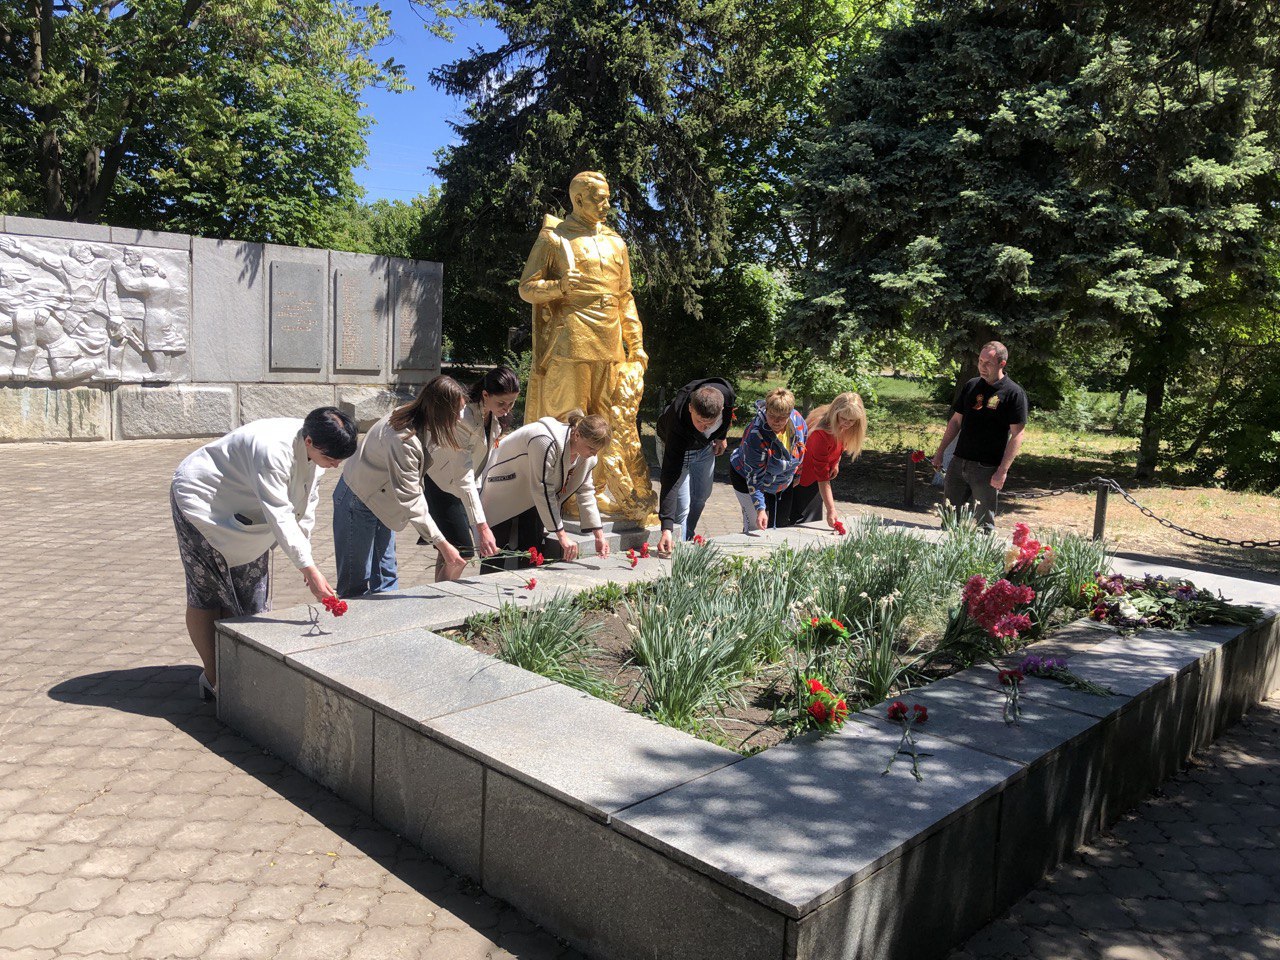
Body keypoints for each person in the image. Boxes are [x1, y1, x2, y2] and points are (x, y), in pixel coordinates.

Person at [171, 406, 358, 698]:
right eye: (331, 459)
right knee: (207, 593)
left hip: (248, 518)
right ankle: (214, 678)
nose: (334, 466)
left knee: (248, 597)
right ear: (309, 442)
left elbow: (305, 507)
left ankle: (241, 674)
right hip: (203, 503)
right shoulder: (272, 449)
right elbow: (280, 513)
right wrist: (307, 567)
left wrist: (307, 560)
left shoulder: (316, 448)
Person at [517, 170, 657, 522]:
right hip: (571, 342)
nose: (607, 204)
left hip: (610, 346)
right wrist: (560, 287)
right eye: (599, 198)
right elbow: (527, 288)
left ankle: (590, 493)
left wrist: (635, 344)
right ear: (578, 199)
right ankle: (561, 494)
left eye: (608, 197)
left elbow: (625, 297)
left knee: (603, 423)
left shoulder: (616, 242)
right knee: (569, 420)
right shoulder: (555, 238)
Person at [334, 376, 471, 597]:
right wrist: (443, 544)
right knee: (355, 583)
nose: (460, 418)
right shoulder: (404, 438)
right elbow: (411, 498)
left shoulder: (422, 419)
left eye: (462, 409)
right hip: (358, 499)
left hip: (384, 501)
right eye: (456, 411)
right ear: (439, 410)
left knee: (386, 576)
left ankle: (387, 627)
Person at [478, 410, 613, 570]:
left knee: (531, 553)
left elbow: (585, 492)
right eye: (591, 448)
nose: (593, 454)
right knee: (495, 556)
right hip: (503, 490)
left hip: (532, 498)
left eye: (597, 451)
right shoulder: (545, 440)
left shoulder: (588, 458)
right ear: (577, 435)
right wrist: (562, 536)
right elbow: (543, 488)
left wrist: (599, 536)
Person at [421, 366, 521, 580]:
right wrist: (482, 527)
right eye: (501, 402)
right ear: (485, 394)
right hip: (441, 485)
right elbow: (463, 474)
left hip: (462, 487)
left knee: (449, 549)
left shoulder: (493, 416)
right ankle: (441, 602)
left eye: (512, 403)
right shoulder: (463, 418)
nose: (507, 408)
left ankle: (438, 596)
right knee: (463, 552)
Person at [931, 341, 1028, 530]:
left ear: (1002, 364)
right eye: (980, 361)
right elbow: (956, 421)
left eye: (988, 363)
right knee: (949, 521)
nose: (982, 367)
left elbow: (1018, 435)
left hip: (987, 468)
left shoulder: (1014, 393)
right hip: (959, 462)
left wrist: (1002, 471)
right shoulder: (971, 385)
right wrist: (941, 452)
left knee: (984, 525)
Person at [655, 377, 736, 556]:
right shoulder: (676, 423)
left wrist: (721, 436)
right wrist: (666, 526)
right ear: (691, 407)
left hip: (705, 449)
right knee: (682, 506)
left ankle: (687, 537)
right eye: (699, 421)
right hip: (678, 449)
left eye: (709, 423)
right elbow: (670, 477)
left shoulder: (725, 394)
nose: (703, 427)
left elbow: (728, 415)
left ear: (720, 409)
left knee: (701, 496)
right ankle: (676, 547)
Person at [780, 392, 867, 530]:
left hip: (814, 477)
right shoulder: (820, 434)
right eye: (843, 418)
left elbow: (840, 444)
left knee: (811, 518)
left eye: (852, 421)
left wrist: (836, 461)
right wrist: (831, 510)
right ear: (835, 413)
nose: (846, 423)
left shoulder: (841, 423)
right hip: (803, 478)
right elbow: (822, 477)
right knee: (801, 522)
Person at [728, 387, 808, 534]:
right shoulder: (755, 435)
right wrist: (760, 509)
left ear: (790, 414)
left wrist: (797, 473)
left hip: (781, 481)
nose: (776, 421)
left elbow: (802, 448)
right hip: (748, 478)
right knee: (756, 528)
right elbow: (754, 478)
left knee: (781, 527)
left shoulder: (798, 422)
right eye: (772, 415)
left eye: (782, 417)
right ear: (766, 410)